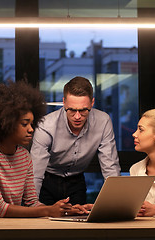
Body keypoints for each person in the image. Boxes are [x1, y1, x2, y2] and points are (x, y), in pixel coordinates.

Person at [0, 81, 87, 218]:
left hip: (11, 228)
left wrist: (64, 210)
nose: (31, 129)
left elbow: (32, 203)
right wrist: (49, 211)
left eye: (32, 123)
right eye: (24, 124)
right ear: (5, 123)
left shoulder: (23, 155)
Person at [30, 76, 121, 205]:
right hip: (47, 181)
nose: (77, 116)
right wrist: (32, 206)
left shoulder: (103, 121)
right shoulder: (46, 125)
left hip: (77, 181)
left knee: (80, 222)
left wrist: (117, 204)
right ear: (64, 103)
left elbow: (110, 166)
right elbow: (36, 172)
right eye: (72, 110)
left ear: (92, 103)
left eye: (83, 110)